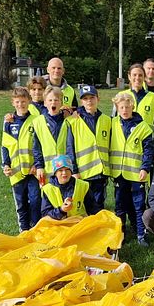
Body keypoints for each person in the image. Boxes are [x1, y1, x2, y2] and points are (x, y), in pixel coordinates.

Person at [110, 93, 154, 246]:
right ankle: (120, 234)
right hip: (119, 173)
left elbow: (148, 151)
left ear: (133, 107)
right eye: (121, 107)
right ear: (117, 108)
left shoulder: (143, 127)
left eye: (127, 107)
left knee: (139, 205)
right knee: (120, 205)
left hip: (137, 174)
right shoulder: (112, 123)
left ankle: (141, 234)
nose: (124, 110)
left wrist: (145, 168)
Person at [1, 87, 41, 231]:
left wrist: (37, 164)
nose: (21, 105)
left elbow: (40, 144)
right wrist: (5, 164)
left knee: (36, 201)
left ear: (29, 101)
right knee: (21, 204)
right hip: (16, 172)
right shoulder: (8, 122)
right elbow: (5, 146)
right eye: (17, 102)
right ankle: (23, 231)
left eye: (23, 102)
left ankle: (36, 229)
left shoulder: (36, 121)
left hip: (33, 171)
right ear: (13, 103)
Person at [66, 85, 110, 214]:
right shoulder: (73, 121)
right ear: (81, 102)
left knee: (99, 204)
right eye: (85, 99)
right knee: (83, 206)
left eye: (92, 97)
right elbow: (70, 148)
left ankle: (98, 230)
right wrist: (74, 170)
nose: (89, 101)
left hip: (101, 172)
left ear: (98, 99)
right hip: (83, 173)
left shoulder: (106, 120)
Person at [32, 86, 73, 183]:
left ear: (61, 103)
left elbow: (72, 147)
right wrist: (39, 166)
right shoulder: (38, 122)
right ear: (45, 103)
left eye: (56, 100)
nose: (53, 103)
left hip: (65, 171)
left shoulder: (69, 121)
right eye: (50, 100)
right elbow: (36, 147)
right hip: (47, 171)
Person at [40, 155, 95, 219]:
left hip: (79, 223)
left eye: (67, 169)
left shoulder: (83, 185)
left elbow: (93, 208)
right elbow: (45, 214)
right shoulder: (47, 189)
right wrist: (61, 210)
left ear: (71, 171)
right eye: (60, 170)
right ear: (55, 173)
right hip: (58, 224)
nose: (64, 173)